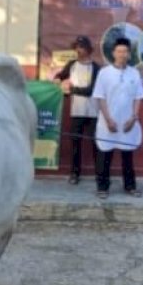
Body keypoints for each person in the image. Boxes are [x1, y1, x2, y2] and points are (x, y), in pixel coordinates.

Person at [92, 37, 143, 199]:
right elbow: (100, 97)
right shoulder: (104, 73)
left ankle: (130, 186)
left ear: (129, 54)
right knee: (105, 155)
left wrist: (134, 117)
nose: (122, 54)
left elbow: (138, 97)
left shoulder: (134, 73)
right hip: (108, 122)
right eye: (119, 51)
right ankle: (103, 187)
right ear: (113, 53)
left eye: (125, 51)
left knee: (127, 155)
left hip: (128, 122)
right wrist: (108, 119)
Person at [54, 36, 101, 184]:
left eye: (82, 47)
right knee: (75, 143)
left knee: (96, 143)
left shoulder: (96, 67)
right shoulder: (72, 65)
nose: (79, 50)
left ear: (88, 49)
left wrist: (72, 89)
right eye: (77, 47)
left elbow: (91, 90)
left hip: (94, 111)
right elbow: (60, 76)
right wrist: (57, 79)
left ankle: (100, 174)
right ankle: (75, 174)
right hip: (76, 111)